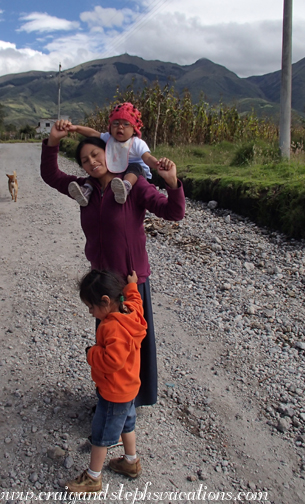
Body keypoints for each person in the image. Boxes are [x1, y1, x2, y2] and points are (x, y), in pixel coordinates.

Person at [40, 121, 185, 407]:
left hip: (130, 282)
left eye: (96, 155)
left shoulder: (135, 186)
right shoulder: (84, 190)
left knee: (133, 343)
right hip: (102, 282)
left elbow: (174, 212)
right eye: (84, 160)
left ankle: (133, 400)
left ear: (111, 153)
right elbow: (51, 175)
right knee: (108, 343)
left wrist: (172, 183)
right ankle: (109, 398)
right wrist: (53, 141)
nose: (91, 162)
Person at [64, 269, 147, 493]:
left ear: (106, 300)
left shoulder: (112, 327)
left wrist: (92, 353)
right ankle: (131, 462)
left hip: (113, 392)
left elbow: (112, 361)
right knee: (127, 425)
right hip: (129, 388)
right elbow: (136, 301)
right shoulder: (130, 312)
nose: (91, 312)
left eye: (91, 307)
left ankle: (93, 477)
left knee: (101, 435)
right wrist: (131, 286)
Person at [66, 102, 160, 205]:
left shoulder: (137, 143)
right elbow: (93, 133)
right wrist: (76, 129)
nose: (120, 127)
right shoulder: (109, 139)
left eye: (126, 124)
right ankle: (86, 191)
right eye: (115, 123)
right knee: (97, 171)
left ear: (134, 130)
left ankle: (125, 187)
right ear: (110, 127)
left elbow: (147, 158)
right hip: (118, 169)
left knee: (135, 167)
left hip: (137, 173)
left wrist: (158, 165)